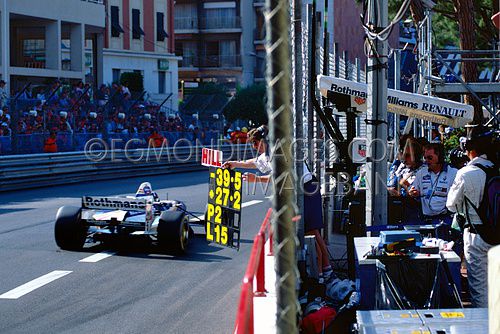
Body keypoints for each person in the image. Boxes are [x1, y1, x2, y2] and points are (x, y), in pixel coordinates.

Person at [223, 125, 334, 281]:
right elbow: (255, 163)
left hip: (306, 189)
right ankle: (326, 269)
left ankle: (321, 274)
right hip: (306, 188)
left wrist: (255, 179)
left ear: (263, 140)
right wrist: (235, 163)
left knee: (309, 231)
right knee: (313, 231)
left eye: (255, 143)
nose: (254, 147)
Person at [446, 126, 496, 308]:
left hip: (476, 236)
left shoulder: (466, 173)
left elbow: (450, 205)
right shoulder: (496, 169)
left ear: (470, 149)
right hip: (497, 233)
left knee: (480, 289)